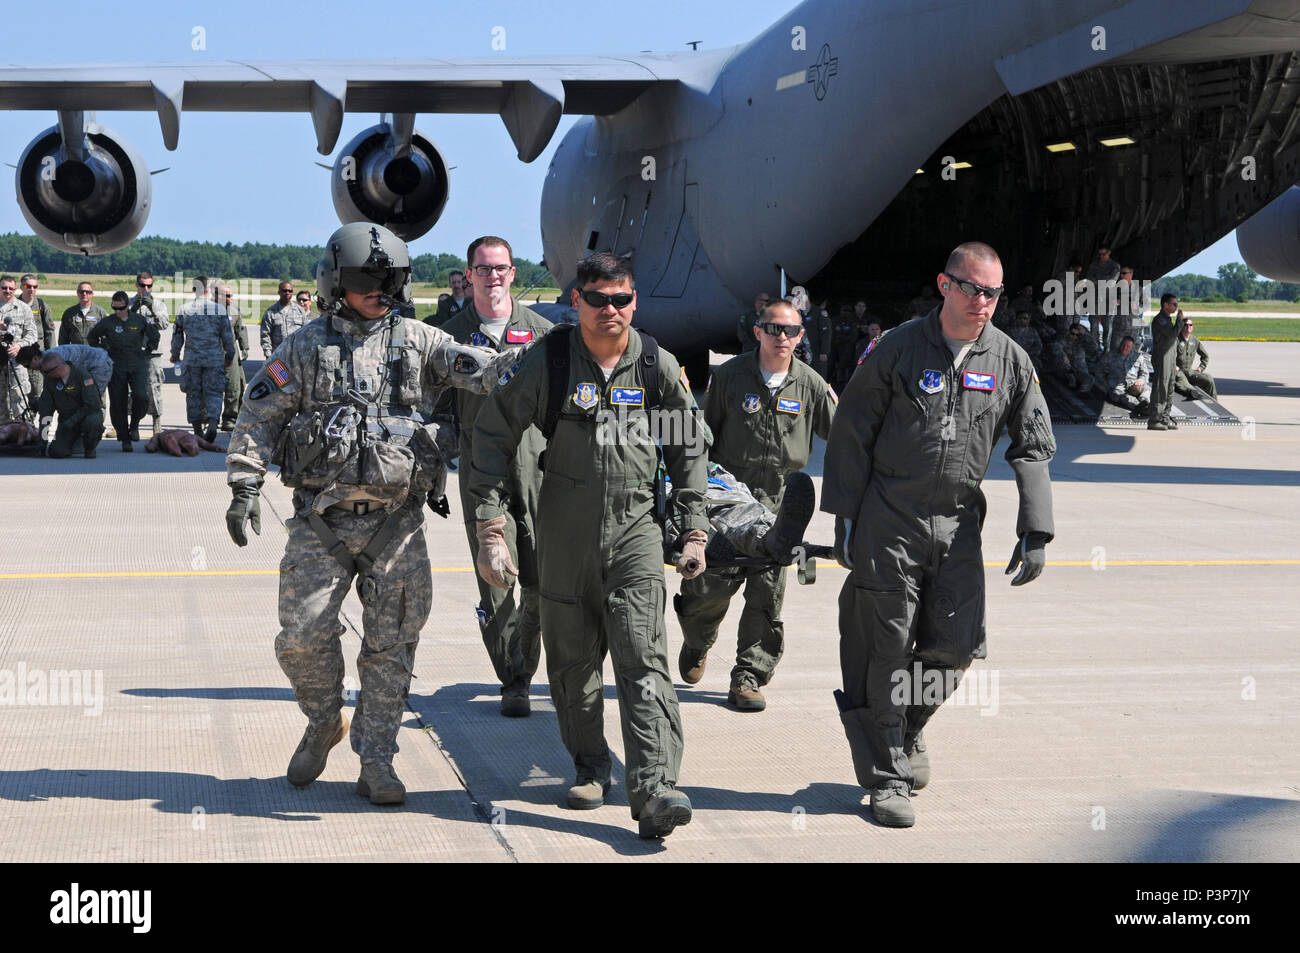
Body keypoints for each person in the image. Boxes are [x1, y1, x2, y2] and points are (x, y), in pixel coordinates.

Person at [224, 222, 527, 806]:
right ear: (337, 283)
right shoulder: (304, 347)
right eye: (367, 280)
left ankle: (378, 761)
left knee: (392, 647)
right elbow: (259, 416)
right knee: (301, 639)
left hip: (398, 525)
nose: (379, 290)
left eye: (389, 280)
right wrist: (243, 484)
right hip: (322, 522)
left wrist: (533, 361)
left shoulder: (419, 340)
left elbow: (481, 369)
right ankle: (322, 719)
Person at [469, 251, 708, 839]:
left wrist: (695, 525)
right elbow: (494, 433)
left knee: (642, 655)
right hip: (564, 531)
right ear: (576, 301)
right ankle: (590, 765)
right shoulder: (549, 363)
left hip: (635, 532)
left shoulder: (654, 365)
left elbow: (688, 448)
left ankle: (654, 788)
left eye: (622, 299)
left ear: (634, 301)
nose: (612, 310)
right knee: (573, 664)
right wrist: (490, 525)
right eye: (598, 299)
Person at [821, 241, 1055, 828]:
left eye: (994, 292)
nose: (984, 301)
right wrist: (844, 515)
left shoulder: (1008, 361)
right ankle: (886, 776)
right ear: (945, 285)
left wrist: (1037, 529)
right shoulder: (898, 348)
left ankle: (908, 725)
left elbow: (1033, 442)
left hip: (957, 521)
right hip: (889, 516)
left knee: (955, 645)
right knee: (886, 644)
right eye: (973, 288)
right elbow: (851, 428)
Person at [675, 299, 833, 711]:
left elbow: (848, 440)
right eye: (774, 329)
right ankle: (697, 641)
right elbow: (701, 441)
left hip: (780, 509)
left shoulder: (812, 385)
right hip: (728, 506)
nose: (783, 337)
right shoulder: (728, 377)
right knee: (705, 592)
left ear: (801, 336)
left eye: (792, 330)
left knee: (767, 598)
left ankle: (748, 676)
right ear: (758, 331)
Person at [437, 236, 550, 717]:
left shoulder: (544, 335)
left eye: (500, 268)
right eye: (483, 269)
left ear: (513, 273)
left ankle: (531, 652)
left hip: (539, 471)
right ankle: (515, 677)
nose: (493, 277)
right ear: (469, 275)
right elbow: (438, 414)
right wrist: (433, 475)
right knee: (495, 576)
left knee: (542, 577)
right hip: (483, 476)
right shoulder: (447, 338)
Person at [86, 291, 158, 452]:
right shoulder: (108, 322)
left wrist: (148, 351)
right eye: (115, 308)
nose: (118, 311)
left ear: (128, 306)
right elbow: (92, 337)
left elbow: (154, 335)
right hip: (116, 364)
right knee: (118, 402)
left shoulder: (138, 320)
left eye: (121, 308)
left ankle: (134, 425)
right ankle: (124, 437)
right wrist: (103, 351)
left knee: (141, 396)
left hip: (136, 363)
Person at [172, 275, 236, 442]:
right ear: (209, 289)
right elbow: (227, 337)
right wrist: (230, 355)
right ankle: (213, 422)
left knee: (193, 393)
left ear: (194, 289)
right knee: (214, 392)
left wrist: (174, 354)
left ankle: (197, 428)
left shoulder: (185, 309)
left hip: (192, 359)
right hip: (213, 359)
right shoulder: (220, 310)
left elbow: (178, 335)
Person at [37, 352, 104, 458]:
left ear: (58, 368)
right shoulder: (50, 381)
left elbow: (92, 405)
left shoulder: (82, 376)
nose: (44, 374)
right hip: (66, 423)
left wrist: (72, 421)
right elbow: (46, 412)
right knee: (56, 452)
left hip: (85, 417)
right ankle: (71, 443)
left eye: (46, 372)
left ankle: (90, 447)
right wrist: (42, 443)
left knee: (93, 421)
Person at [130, 272, 170, 436]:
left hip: (152, 353)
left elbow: (164, 324)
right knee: (132, 389)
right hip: (133, 352)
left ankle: (156, 423)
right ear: (136, 285)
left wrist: (152, 307)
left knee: (154, 387)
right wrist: (133, 309)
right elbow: (121, 322)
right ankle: (134, 424)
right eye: (142, 285)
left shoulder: (158, 304)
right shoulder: (130, 302)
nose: (145, 289)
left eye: (149, 286)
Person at [1, 276, 39, 422]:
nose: (7, 291)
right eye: (4, 288)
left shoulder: (23, 308)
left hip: (16, 360)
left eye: (11, 288)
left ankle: (23, 429)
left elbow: (32, 334)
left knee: (19, 394)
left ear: (15, 289)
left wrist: (19, 345)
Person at [17, 344, 113, 398]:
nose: (29, 369)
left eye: (27, 366)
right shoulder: (44, 363)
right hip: (86, 367)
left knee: (91, 397)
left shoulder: (51, 362)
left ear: (35, 359)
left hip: (99, 364)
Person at [17, 275, 54, 406]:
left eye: (35, 286)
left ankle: (32, 424)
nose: (31, 289)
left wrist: (51, 354)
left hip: (37, 358)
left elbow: (49, 332)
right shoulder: (15, 305)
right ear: (21, 287)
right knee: (18, 393)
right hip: (19, 357)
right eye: (28, 286)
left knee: (36, 394)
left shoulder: (41, 306)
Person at [1148, 294, 1181, 430]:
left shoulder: (1167, 319)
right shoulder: (1160, 320)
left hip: (1170, 357)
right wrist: (1179, 321)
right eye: (1173, 304)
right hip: (1162, 357)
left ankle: (1164, 418)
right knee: (1161, 387)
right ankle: (1155, 419)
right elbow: (1172, 334)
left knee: (1170, 386)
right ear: (1165, 305)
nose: (1176, 307)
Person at [221, 286, 251, 430]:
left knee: (236, 385)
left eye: (230, 295)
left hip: (231, 352)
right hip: (213, 351)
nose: (229, 299)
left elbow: (241, 329)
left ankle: (230, 418)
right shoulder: (208, 310)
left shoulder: (234, 309)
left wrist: (245, 347)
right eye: (226, 296)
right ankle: (207, 418)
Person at [1099, 335, 1151, 416]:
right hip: (1118, 386)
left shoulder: (1138, 357)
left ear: (1132, 347)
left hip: (1133, 385)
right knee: (1122, 397)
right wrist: (1106, 385)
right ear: (1120, 344)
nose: (1125, 348)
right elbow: (1099, 370)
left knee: (1147, 389)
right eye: (1123, 345)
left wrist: (1141, 380)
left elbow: (1145, 373)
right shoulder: (1110, 355)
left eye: (1128, 346)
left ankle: (1146, 403)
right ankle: (1140, 407)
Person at [1085, 246, 1121, 352]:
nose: (1101, 256)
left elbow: (1111, 281)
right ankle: (1094, 349)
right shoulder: (1094, 265)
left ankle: (1107, 350)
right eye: (1100, 254)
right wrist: (1103, 278)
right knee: (1093, 325)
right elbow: (1089, 280)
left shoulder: (1115, 266)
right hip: (1095, 299)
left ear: (1109, 252)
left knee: (1108, 326)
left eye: (1103, 254)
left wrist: (1098, 278)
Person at [260, 281, 309, 357]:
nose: (287, 293)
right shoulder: (270, 312)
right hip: (276, 356)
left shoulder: (300, 311)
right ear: (279, 292)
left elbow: (306, 333)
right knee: (276, 370)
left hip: (296, 357)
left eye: (290, 291)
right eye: (284, 290)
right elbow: (265, 335)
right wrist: (268, 354)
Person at [1175, 316, 1217, 399]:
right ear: (1182, 326)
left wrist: (1200, 368)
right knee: (1184, 384)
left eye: (1190, 325)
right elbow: (1169, 355)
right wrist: (1174, 366)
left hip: (1190, 372)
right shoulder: (1176, 339)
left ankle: (1214, 403)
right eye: (1186, 325)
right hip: (1178, 372)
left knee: (1209, 380)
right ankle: (1192, 393)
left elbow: (1205, 356)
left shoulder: (1194, 340)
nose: (1188, 327)